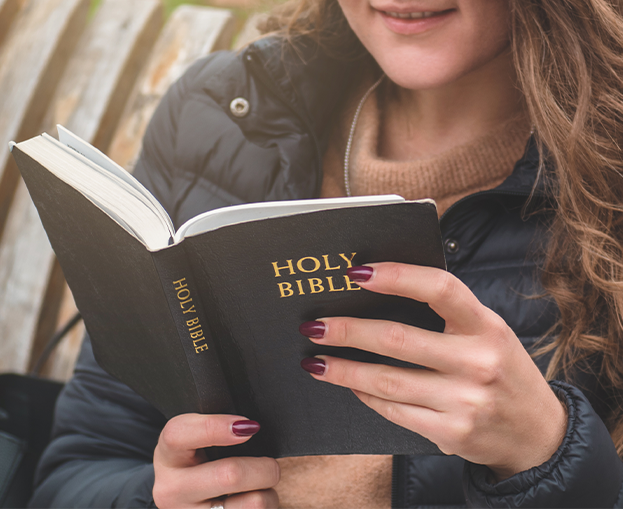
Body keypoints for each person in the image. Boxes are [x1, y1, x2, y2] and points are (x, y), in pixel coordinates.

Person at [28, 0, 623, 507]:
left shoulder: (607, 177)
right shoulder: (222, 116)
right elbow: (81, 464)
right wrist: (157, 497)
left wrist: (546, 454)